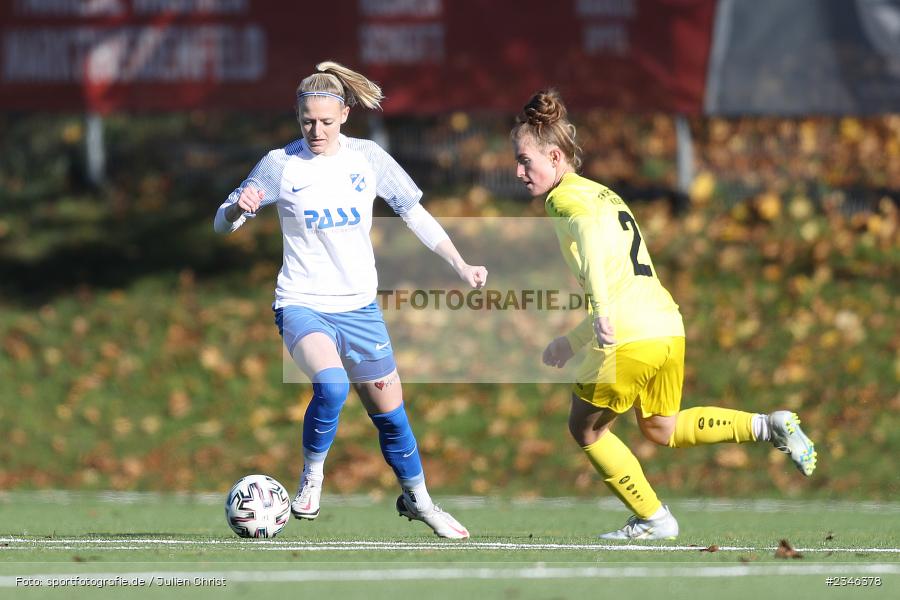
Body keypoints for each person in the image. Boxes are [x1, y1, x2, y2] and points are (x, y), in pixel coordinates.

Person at [510, 89, 817, 540]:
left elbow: (593, 247)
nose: (518, 172)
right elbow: (623, 280)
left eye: (524, 161)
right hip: (667, 326)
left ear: (555, 157)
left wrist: (597, 311)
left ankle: (654, 518)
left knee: (585, 429)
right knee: (661, 427)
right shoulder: (606, 195)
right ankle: (768, 425)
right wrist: (572, 341)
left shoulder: (563, 200)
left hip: (629, 335)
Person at [214, 61, 487, 539]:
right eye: (306, 121)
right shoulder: (281, 164)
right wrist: (239, 207)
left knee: (392, 418)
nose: (315, 130)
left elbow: (414, 213)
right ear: (297, 117)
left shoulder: (368, 159)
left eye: (324, 120)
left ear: (344, 114)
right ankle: (312, 478)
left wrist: (460, 264)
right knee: (333, 387)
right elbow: (222, 221)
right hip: (301, 302)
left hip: (359, 308)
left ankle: (419, 502)